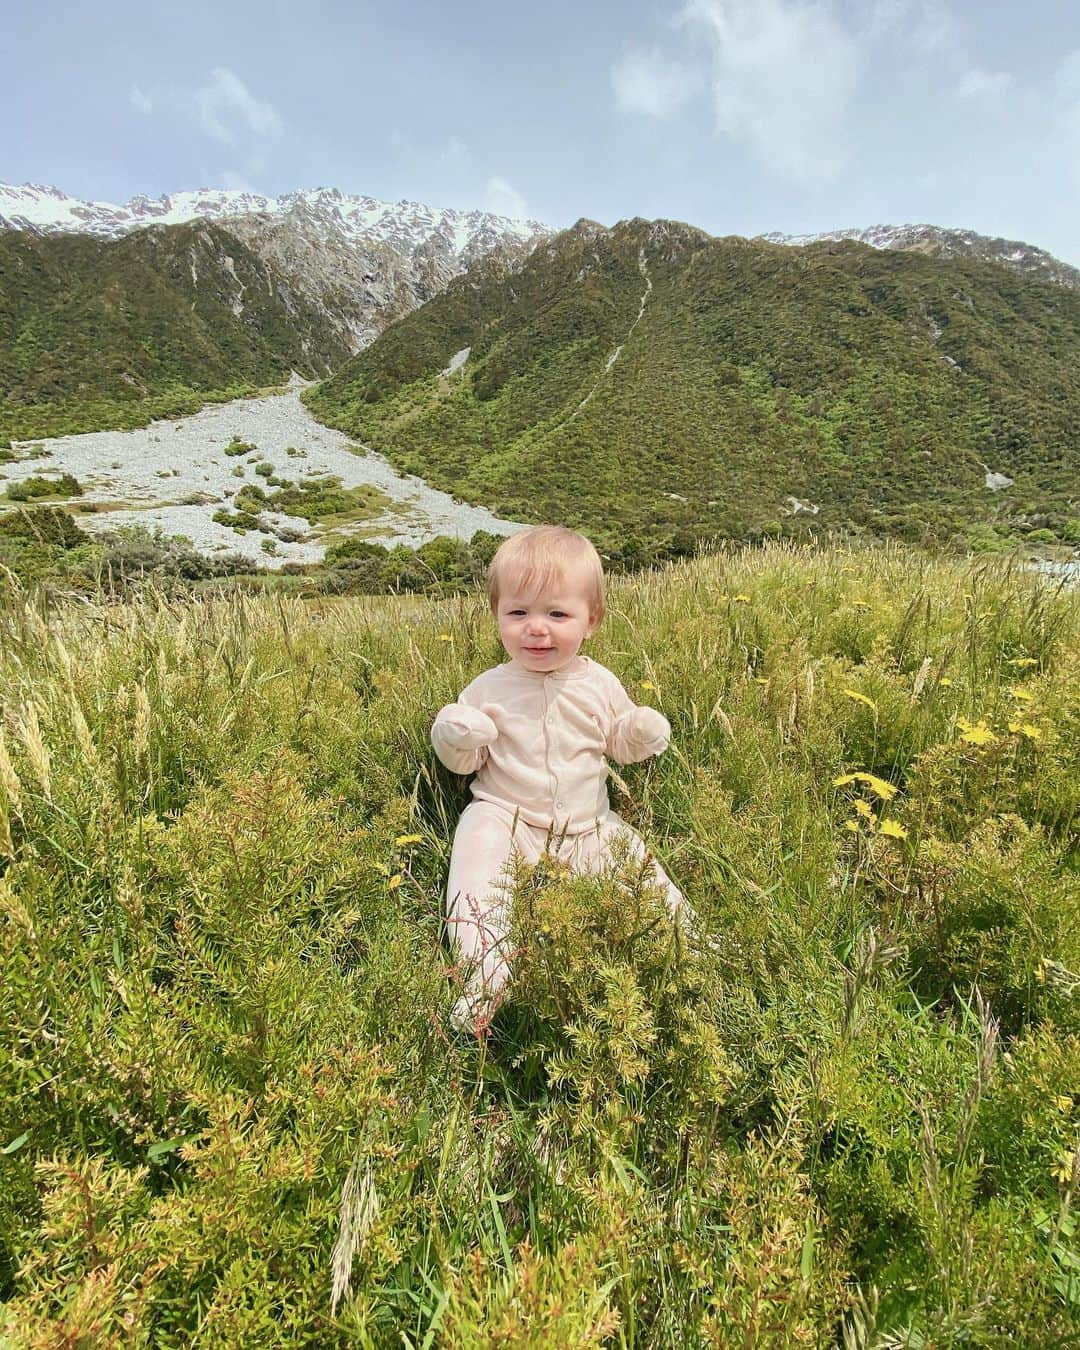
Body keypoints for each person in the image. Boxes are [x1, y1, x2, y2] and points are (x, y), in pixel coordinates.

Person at [430, 524, 695, 1035]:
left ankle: (692, 946)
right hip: (506, 815)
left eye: (556, 613)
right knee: (476, 853)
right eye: (518, 612)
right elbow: (464, 763)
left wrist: (637, 729)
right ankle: (485, 971)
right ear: (497, 616)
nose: (536, 628)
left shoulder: (599, 683)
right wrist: (459, 735)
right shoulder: (489, 687)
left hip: (588, 824)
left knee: (637, 863)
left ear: (591, 620)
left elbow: (617, 741)